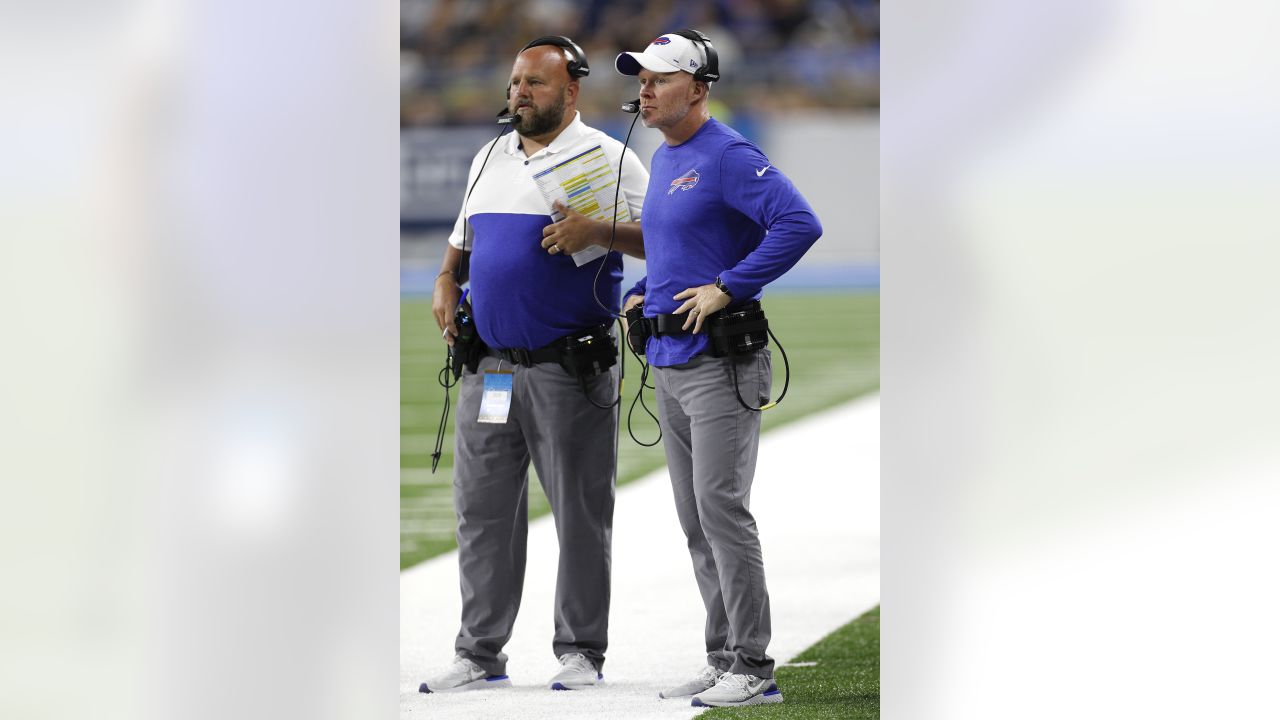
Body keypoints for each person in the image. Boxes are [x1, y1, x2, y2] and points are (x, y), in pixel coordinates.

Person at [418, 36, 649, 694]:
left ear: (570, 91)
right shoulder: (489, 155)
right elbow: (460, 243)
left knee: (579, 510)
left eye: (535, 83)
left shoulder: (611, 158)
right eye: (515, 80)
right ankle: (480, 651)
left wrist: (597, 232)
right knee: (481, 510)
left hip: (567, 369)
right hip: (489, 369)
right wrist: (442, 280)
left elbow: (665, 236)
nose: (519, 92)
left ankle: (581, 649)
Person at [615, 30, 822, 708]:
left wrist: (730, 286)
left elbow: (798, 223)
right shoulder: (667, 153)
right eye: (641, 78)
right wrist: (636, 295)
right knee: (695, 519)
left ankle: (754, 668)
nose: (644, 89)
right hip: (672, 362)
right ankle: (722, 654)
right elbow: (673, 252)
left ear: (698, 88)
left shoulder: (728, 155)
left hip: (718, 366)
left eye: (659, 78)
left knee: (721, 513)